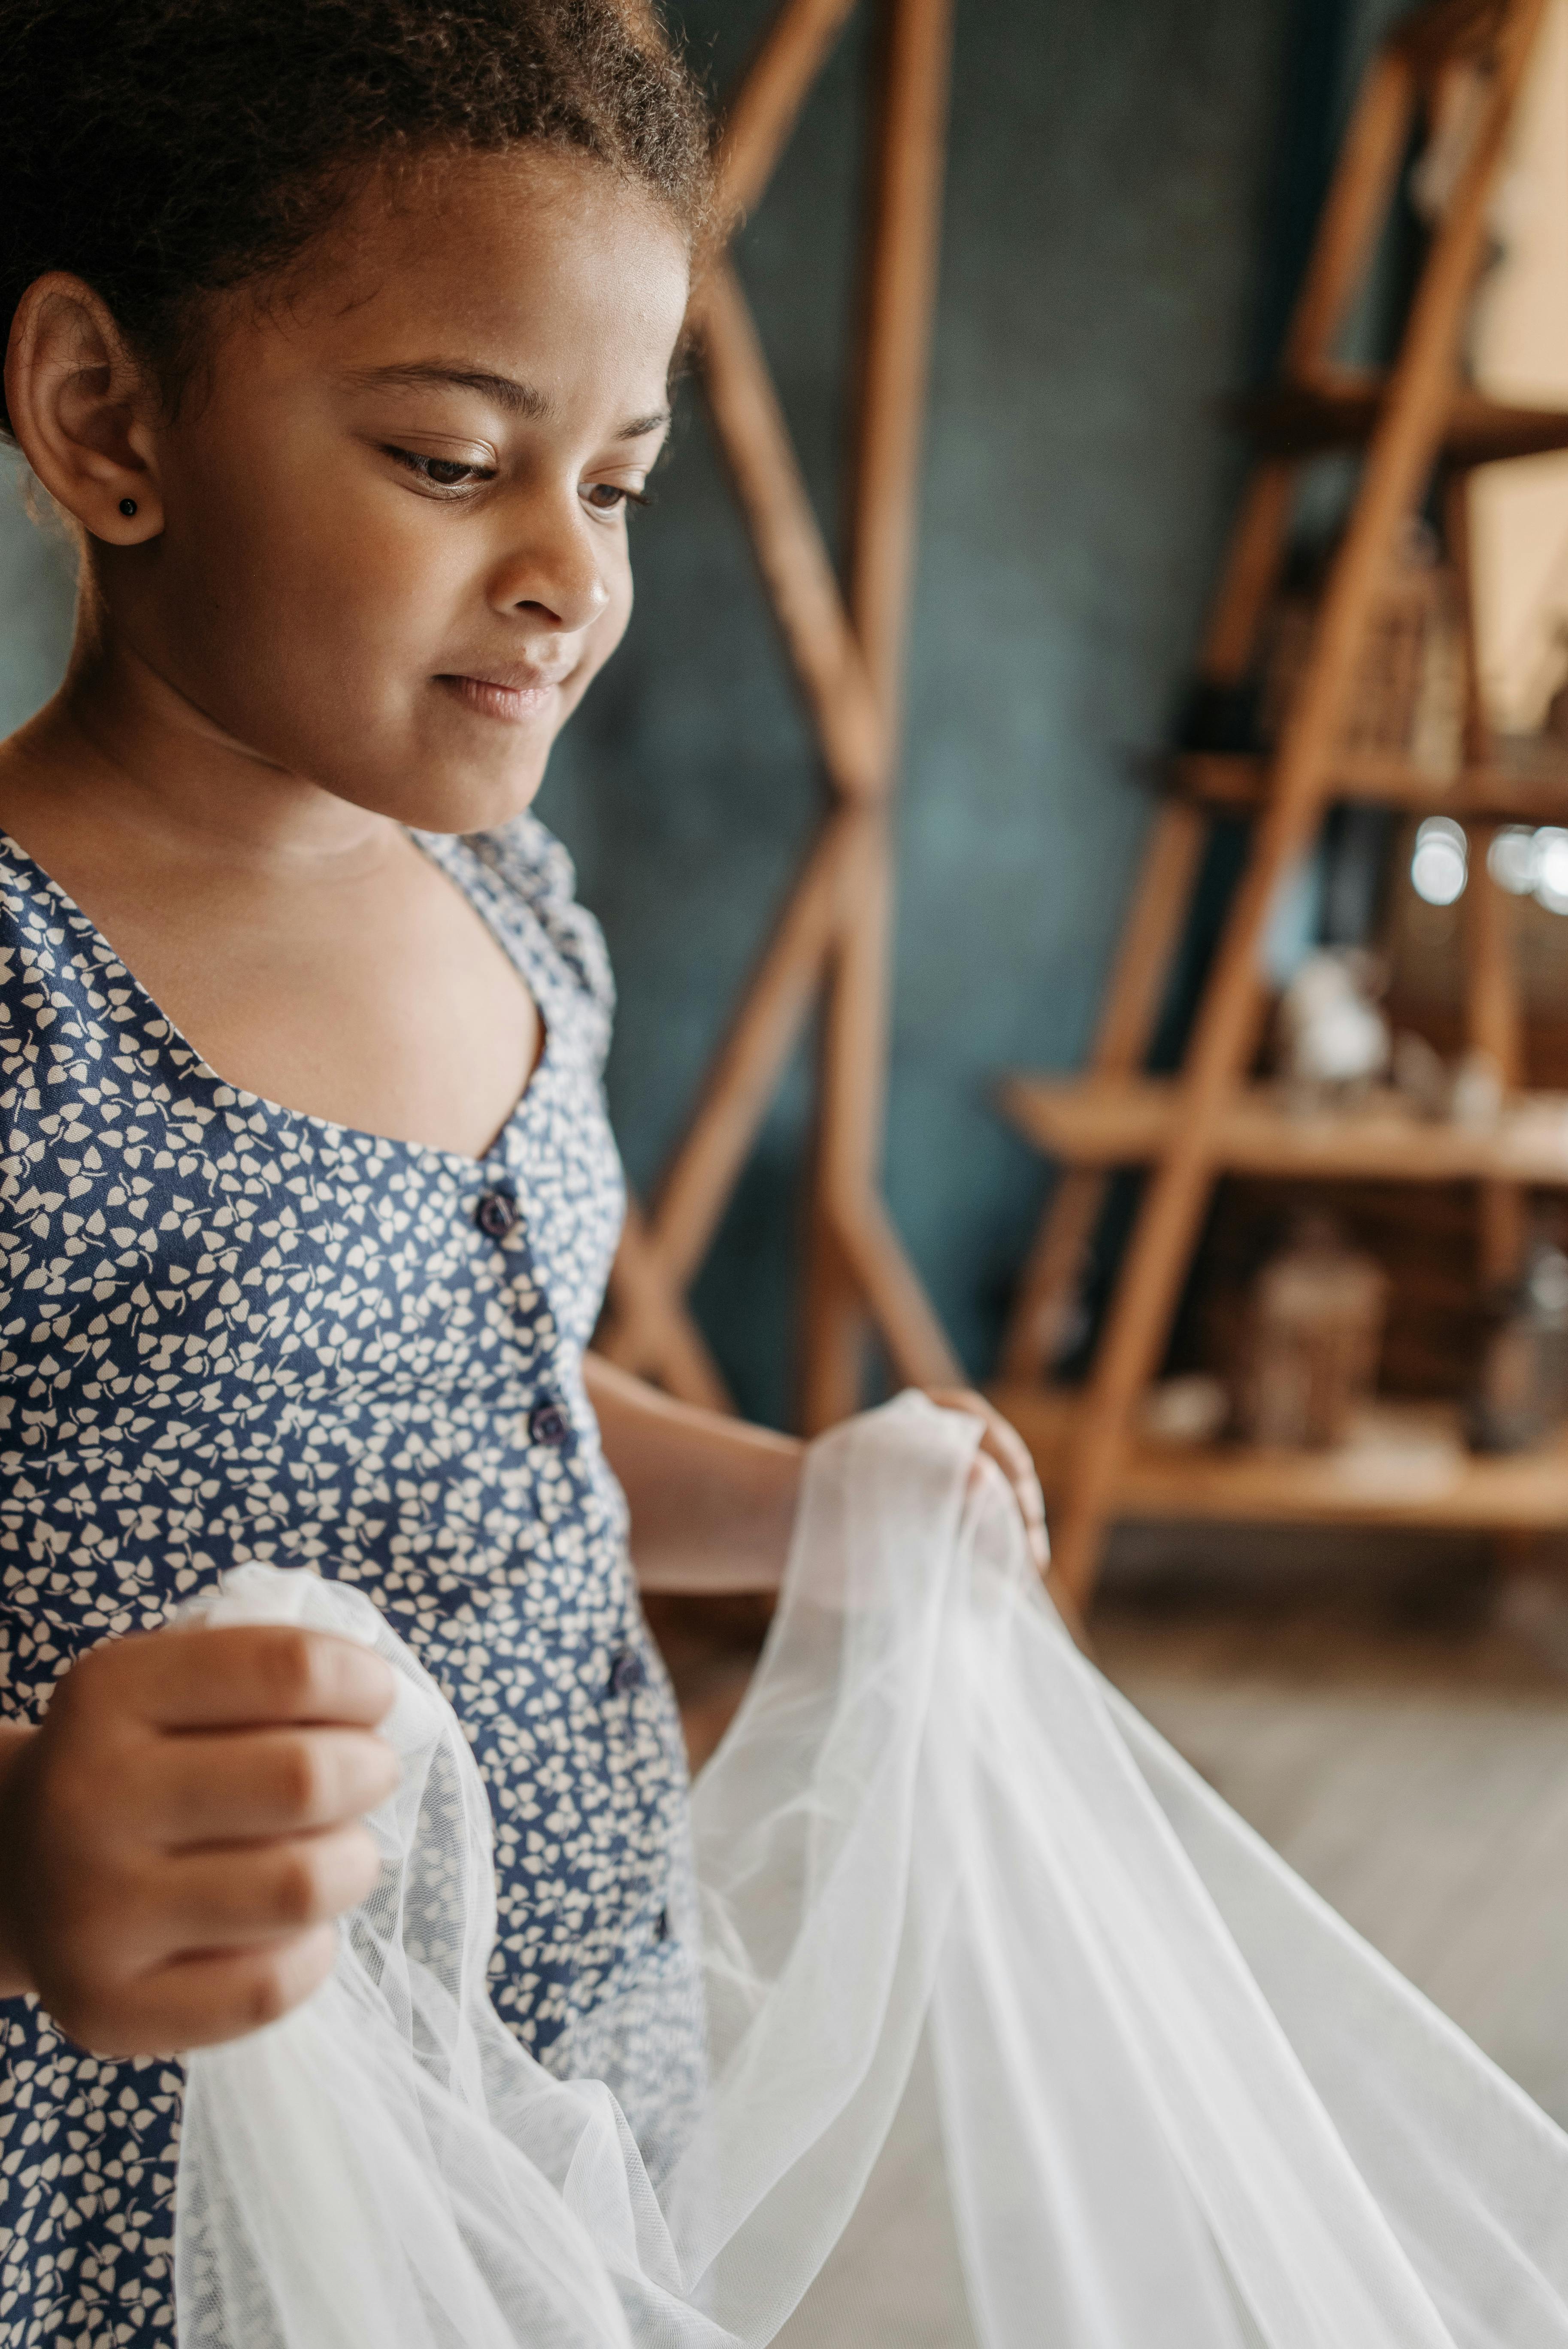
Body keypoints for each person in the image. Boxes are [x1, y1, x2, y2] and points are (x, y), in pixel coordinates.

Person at [0, 4, 1046, 2338]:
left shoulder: (510, 916)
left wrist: (794, 1503)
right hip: (135, 2134)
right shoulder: (22, 990)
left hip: (543, 2042)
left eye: (621, 478)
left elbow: (500, 1421)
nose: (569, 569)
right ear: (106, 417)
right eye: (457, 457)